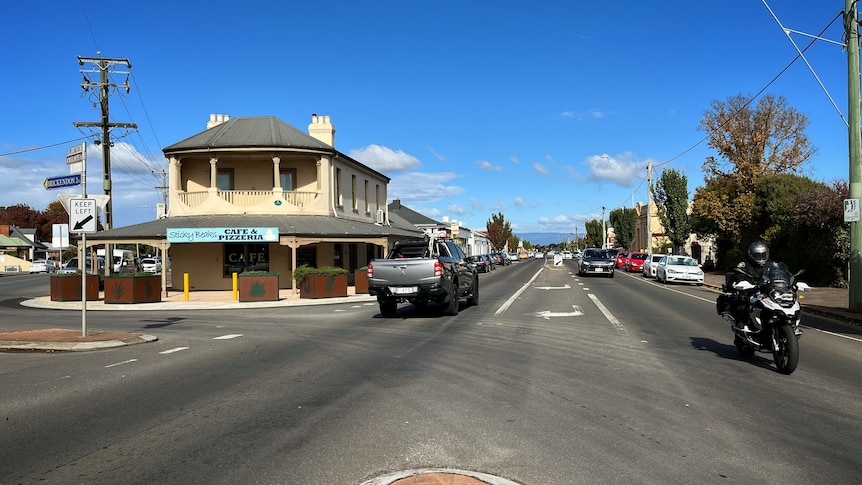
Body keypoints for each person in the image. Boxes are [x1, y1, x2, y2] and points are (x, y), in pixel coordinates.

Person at [722, 241, 770, 331]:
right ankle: (743, 326)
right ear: (751, 255)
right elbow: (738, 276)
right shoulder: (744, 265)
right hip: (749, 293)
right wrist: (742, 283)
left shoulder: (770, 265)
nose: (761, 257)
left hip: (767, 293)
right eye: (757, 255)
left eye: (763, 254)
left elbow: (779, 274)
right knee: (744, 307)